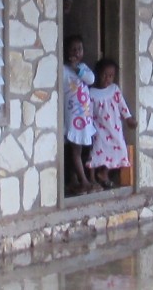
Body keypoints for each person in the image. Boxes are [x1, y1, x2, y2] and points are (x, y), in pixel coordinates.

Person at [87, 58, 137, 189]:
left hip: (114, 128)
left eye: (111, 76)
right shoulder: (91, 93)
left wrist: (128, 118)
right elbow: (88, 112)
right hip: (98, 129)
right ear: (97, 74)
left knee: (120, 148)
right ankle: (92, 179)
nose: (107, 79)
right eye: (104, 75)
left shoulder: (114, 89)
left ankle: (104, 173)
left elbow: (122, 105)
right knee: (96, 151)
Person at [63, 35, 98, 195]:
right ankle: (84, 181)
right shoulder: (64, 70)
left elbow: (91, 80)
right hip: (73, 120)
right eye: (73, 49)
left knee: (80, 150)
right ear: (67, 52)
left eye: (80, 49)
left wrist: (78, 68)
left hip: (85, 119)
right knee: (75, 150)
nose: (77, 52)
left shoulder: (83, 68)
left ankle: (74, 181)